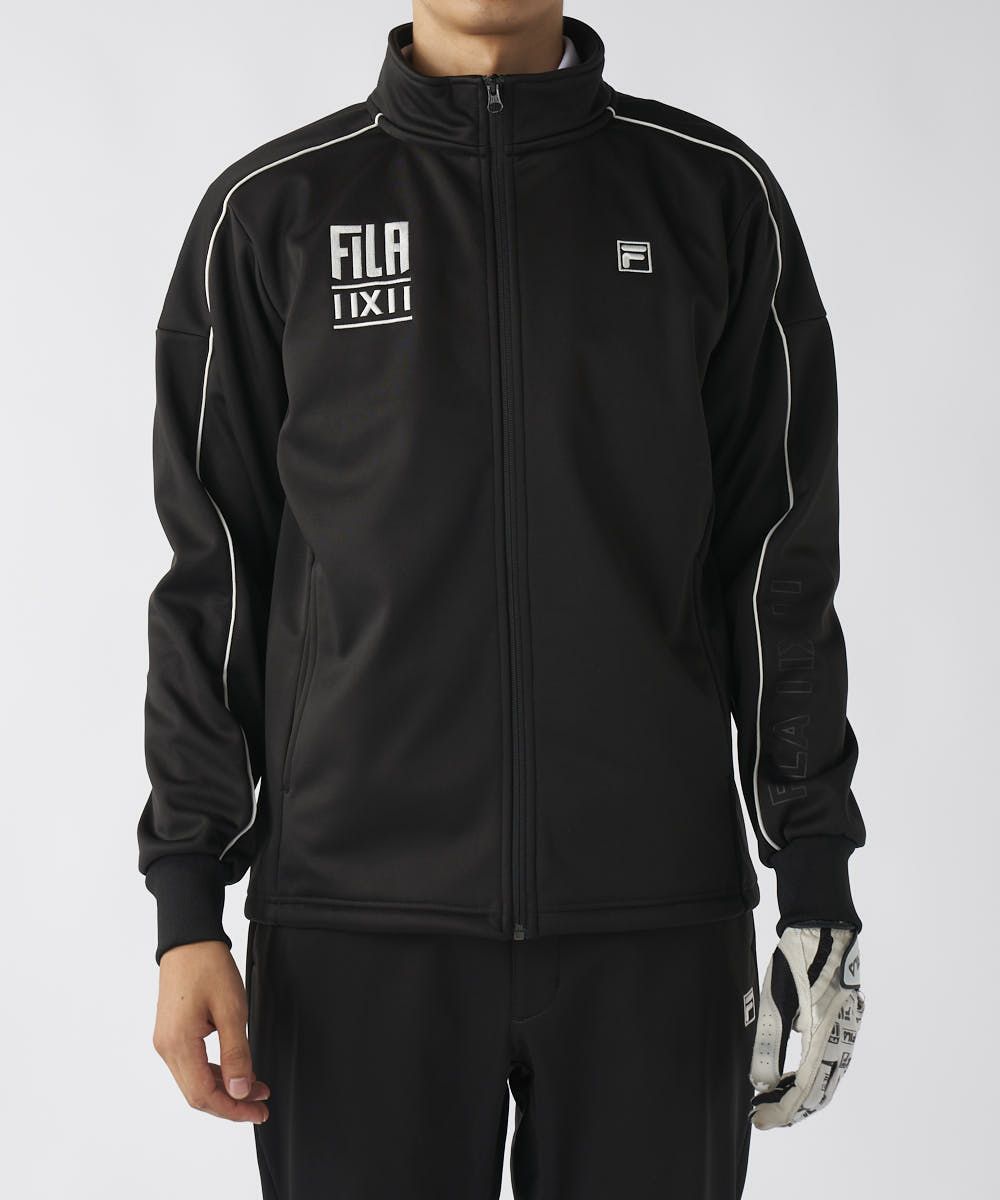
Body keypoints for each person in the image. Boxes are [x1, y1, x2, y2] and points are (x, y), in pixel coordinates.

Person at [138, 2, 867, 1196]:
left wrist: (816, 878)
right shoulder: (273, 211)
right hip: (354, 926)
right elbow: (212, 581)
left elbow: (778, 570)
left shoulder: (710, 196)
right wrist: (187, 906)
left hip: (653, 919)